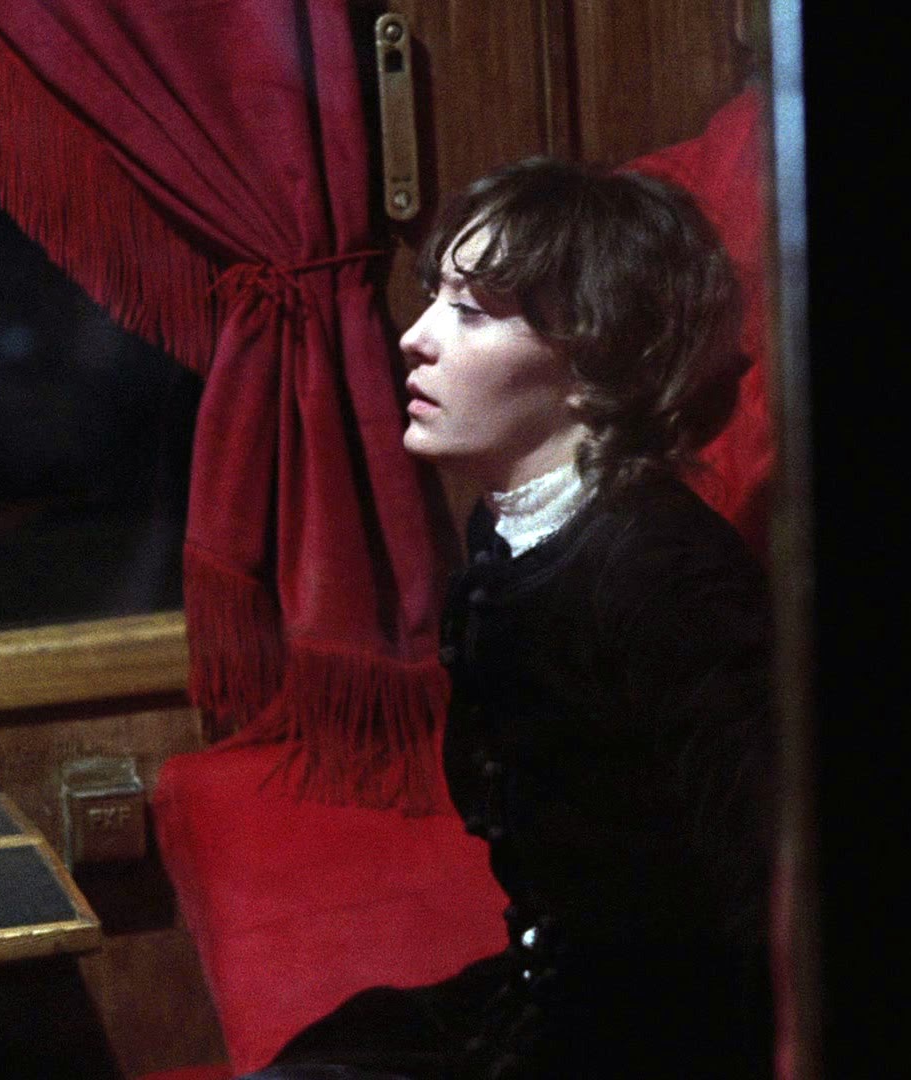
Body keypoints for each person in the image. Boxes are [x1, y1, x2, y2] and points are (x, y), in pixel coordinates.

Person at [241, 158, 774, 1079]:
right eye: (434, 299)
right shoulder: (513, 532)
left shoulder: (666, 578)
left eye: (472, 312)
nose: (415, 338)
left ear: (597, 360)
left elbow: (768, 903)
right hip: (557, 998)